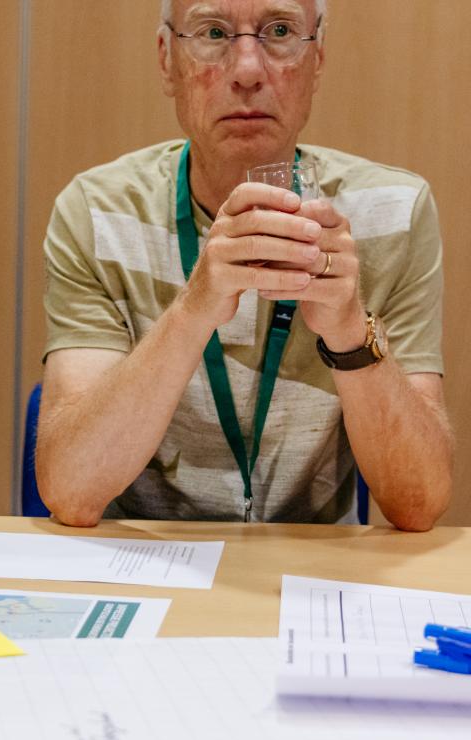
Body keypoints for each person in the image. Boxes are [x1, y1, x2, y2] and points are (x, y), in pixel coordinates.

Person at [36, 0, 452, 530]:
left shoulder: (393, 212)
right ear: (168, 60)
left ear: (317, 58)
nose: (249, 71)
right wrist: (193, 309)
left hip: (314, 577)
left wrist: (349, 331)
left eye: (280, 31)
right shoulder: (97, 213)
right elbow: (71, 491)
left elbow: (418, 506)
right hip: (147, 566)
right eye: (213, 32)